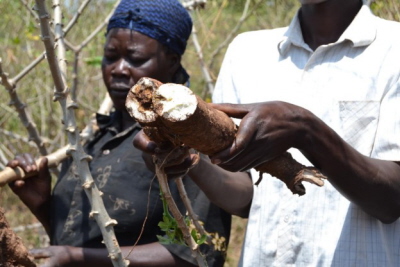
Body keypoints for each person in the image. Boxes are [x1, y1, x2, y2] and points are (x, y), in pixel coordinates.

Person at [134, 0, 400, 266]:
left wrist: (306, 130)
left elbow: (391, 201)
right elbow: (245, 197)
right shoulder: (247, 52)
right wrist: (190, 160)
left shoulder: (393, 49)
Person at [6, 0, 235, 266]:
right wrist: (43, 204)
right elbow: (85, 239)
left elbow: (200, 252)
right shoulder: (92, 139)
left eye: (136, 59)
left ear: (172, 62)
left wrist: (75, 257)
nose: (119, 69)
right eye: (111, 57)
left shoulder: (186, 140)